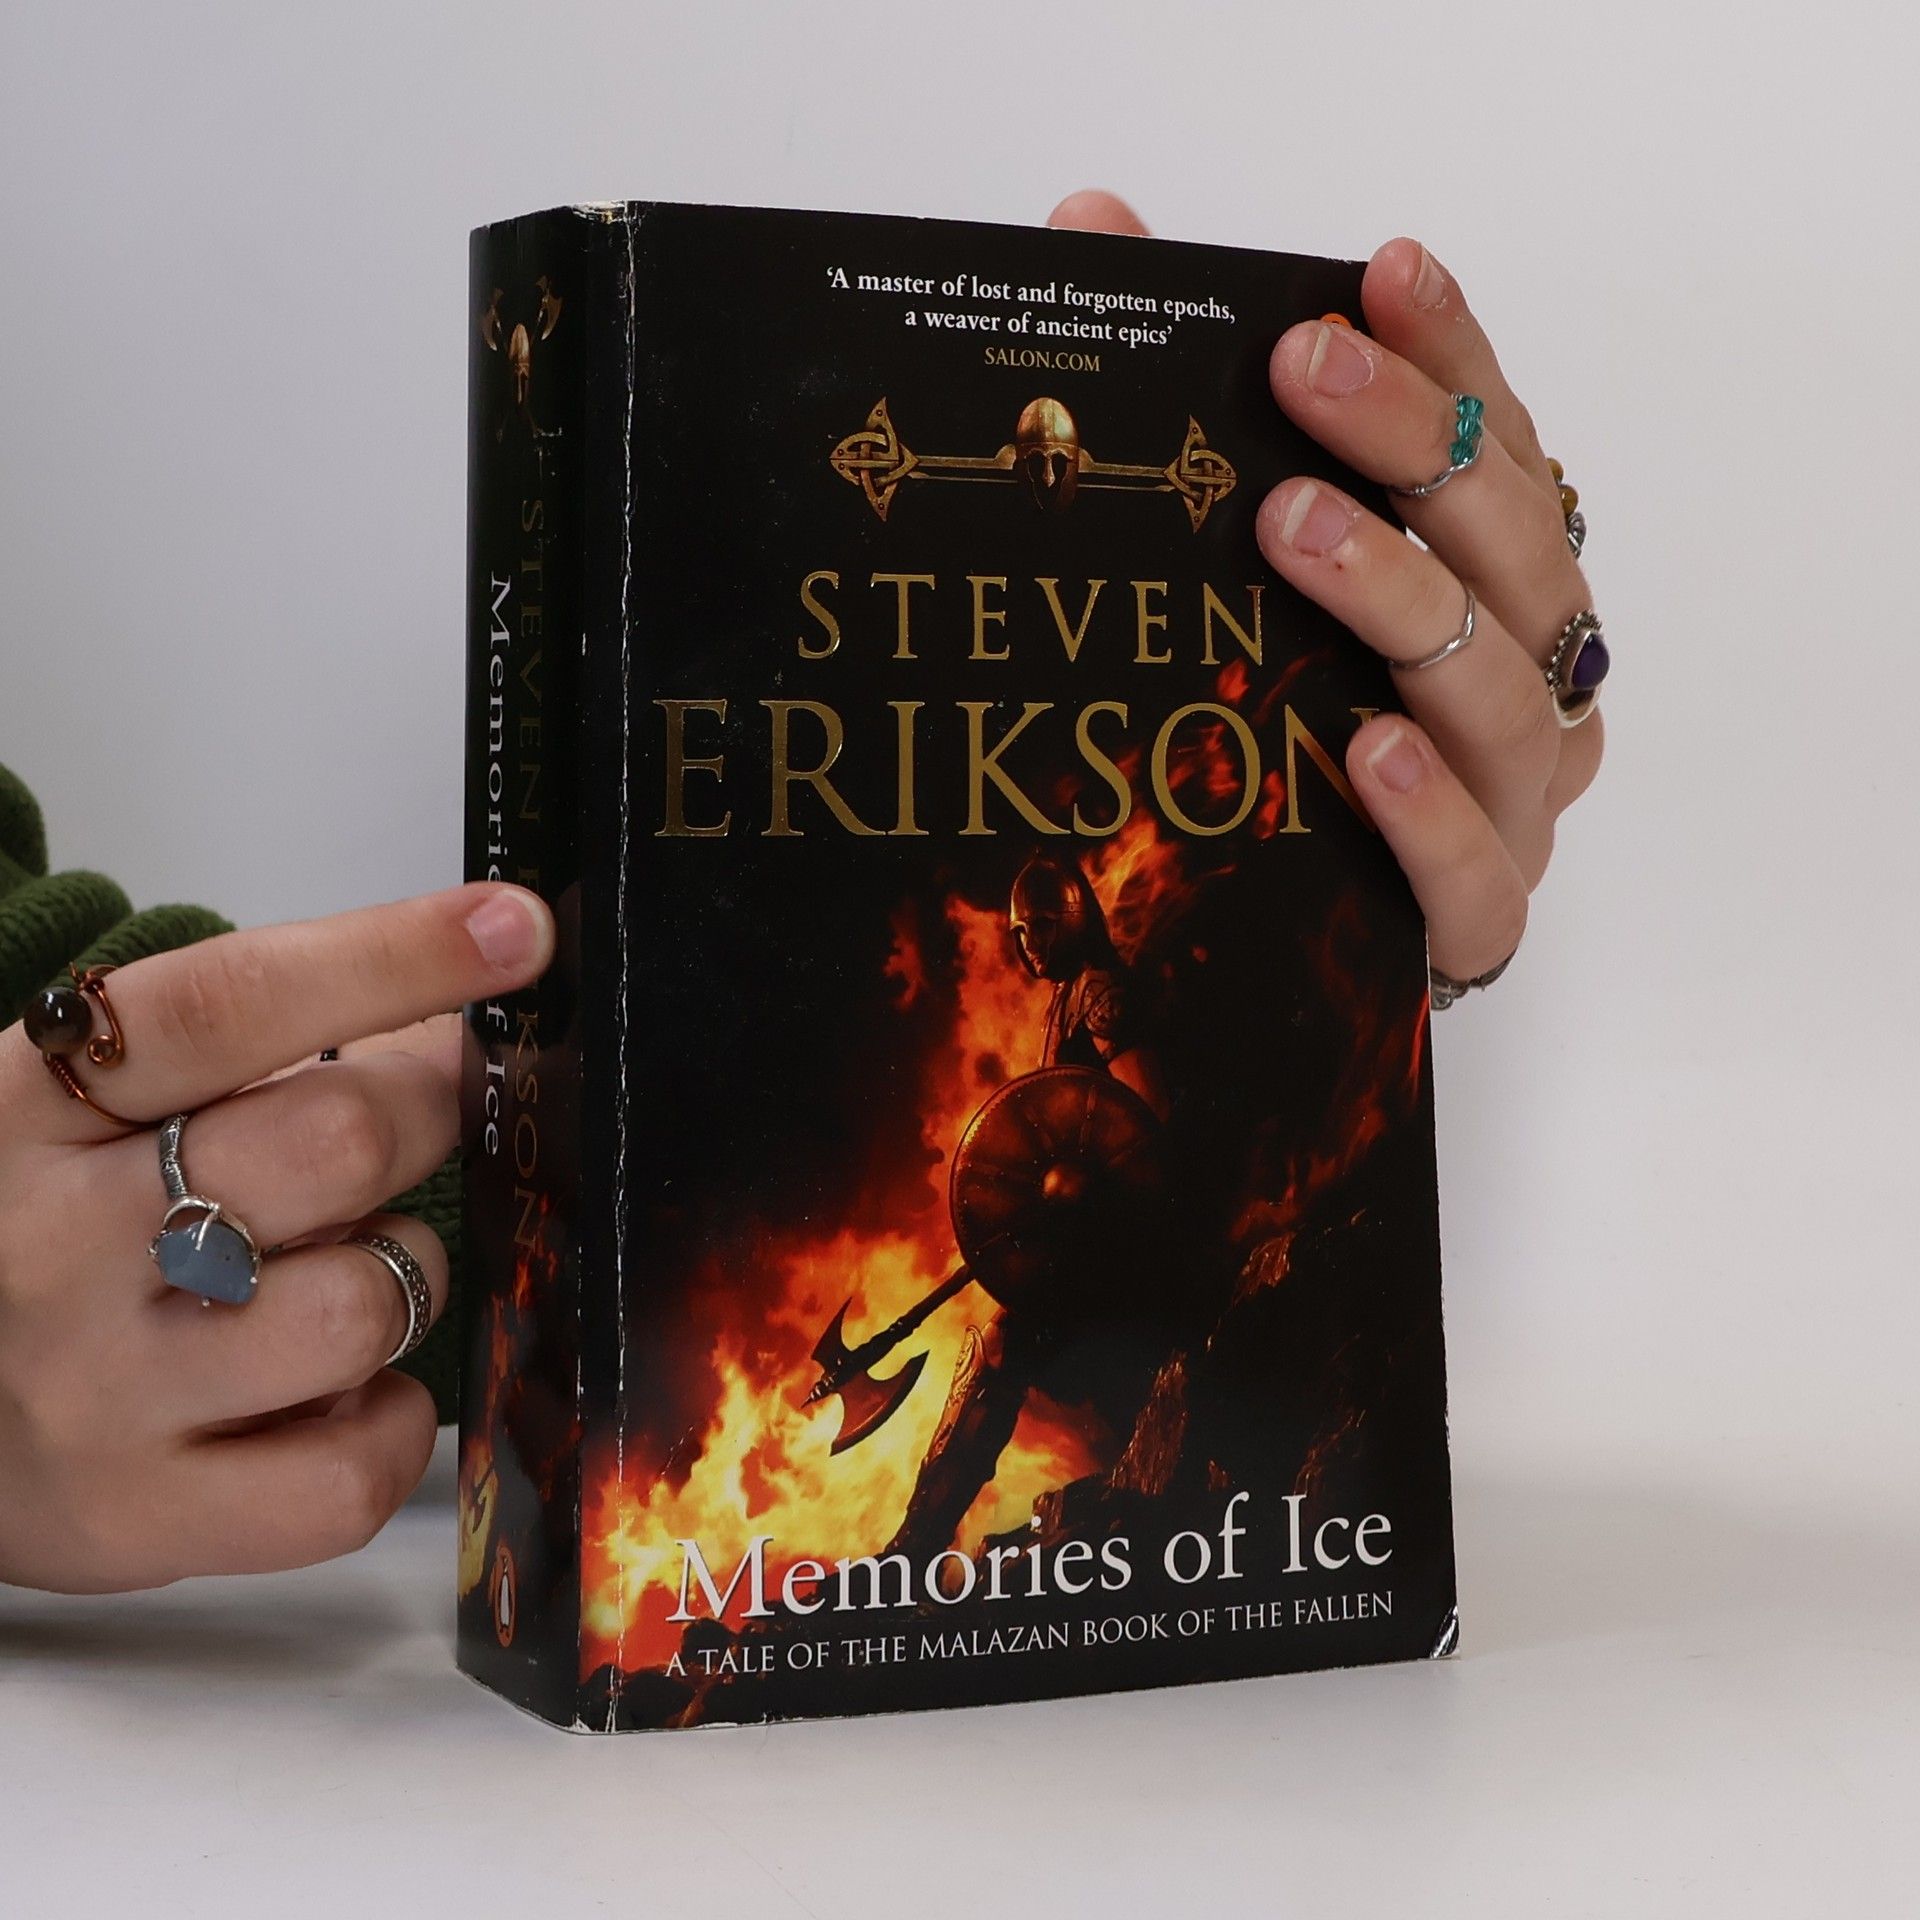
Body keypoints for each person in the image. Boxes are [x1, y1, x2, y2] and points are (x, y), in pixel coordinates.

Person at [0, 190, 1604, 1595]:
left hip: (1139, 1234)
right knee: (981, 1390)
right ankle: (907, 1559)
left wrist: (1337, 923)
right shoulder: (1076, 990)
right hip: (1058, 1235)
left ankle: (922, 1556)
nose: (1039, 933)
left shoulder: (1110, 974)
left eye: (1048, 921)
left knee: (1025, 1387)